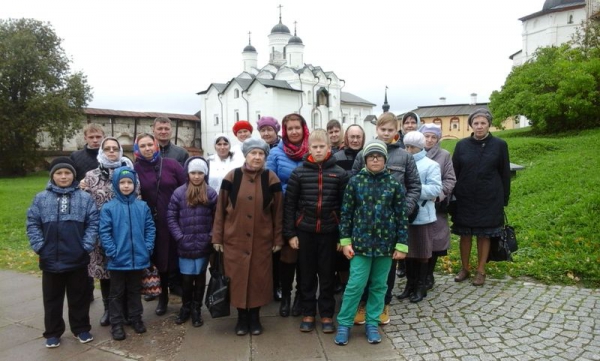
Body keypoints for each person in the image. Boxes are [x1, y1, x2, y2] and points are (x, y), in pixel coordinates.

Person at [334, 140, 408, 346]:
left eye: (379, 156)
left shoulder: (393, 184)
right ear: (365, 159)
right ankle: (344, 323)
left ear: (385, 159)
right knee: (355, 285)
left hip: (385, 247)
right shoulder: (355, 182)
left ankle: (372, 323)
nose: (375, 159)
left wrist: (401, 245)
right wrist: (346, 241)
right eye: (371, 156)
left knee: (379, 286)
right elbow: (346, 213)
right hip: (360, 246)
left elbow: (401, 216)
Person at [352, 112, 421, 325]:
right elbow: (353, 181)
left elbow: (414, 186)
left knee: (387, 267)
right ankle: (363, 303)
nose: (386, 133)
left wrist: (403, 210)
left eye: (391, 130)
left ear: (396, 131)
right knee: (364, 266)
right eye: (383, 129)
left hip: (390, 223)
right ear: (377, 130)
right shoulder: (363, 154)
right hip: (365, 223)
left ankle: (383, 303)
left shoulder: (405, 156)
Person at [212, 138, 284, 336]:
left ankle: (255, 317)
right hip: (234, 240)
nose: (257, 157)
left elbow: (278, 213)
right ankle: (241, 319)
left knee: (258, 280)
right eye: (253, 153)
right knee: (237, 279)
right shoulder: (232, 177)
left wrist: (278, 239)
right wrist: (217, 238)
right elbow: (220, 210)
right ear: (246, 155)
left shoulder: (271, 179)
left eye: (261, 154)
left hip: (262, 240)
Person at [26, 157, 99, 348]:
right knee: (52, 299)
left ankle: (81, 328)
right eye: (59, 173)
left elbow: (93, 223)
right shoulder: (41, 198)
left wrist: (86, 246)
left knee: (79, 296)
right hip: (51, 258)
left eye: (67, 173)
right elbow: (32, 223)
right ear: (52, 176)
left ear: (73, 175)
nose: (63, 176)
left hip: (77, 257)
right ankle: (52, 331)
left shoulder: (84, 198)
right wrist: (40, 246)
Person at [284, 129, 349, 334]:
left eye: (322, 146)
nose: (319, 150)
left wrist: (342, 236)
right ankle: (308, 312)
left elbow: (345, 207)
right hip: (305, 231)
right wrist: (291, 234)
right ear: (309, 148)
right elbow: (290, 205)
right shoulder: (299, 172)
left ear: (329, 148)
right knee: (307, 275)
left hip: (330, 232)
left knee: (328, 275)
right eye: (315, 146)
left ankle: (327, 314)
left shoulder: (339, 173)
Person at [82, 137, 138, 327]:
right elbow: (84, 201)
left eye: (115, 148)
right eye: (108, 148)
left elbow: (137, 198)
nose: (112, 151)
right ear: (102, 151)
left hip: (125, 231)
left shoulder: (129, 172)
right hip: (101, 231)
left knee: (125, 273)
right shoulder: (91, 176)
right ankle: (109, 309)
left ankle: (126, 310)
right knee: (106, 273)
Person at [451, 109, 511, 286]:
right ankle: (465, 267)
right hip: (465, 197)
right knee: (465, 234)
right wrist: (452, 196)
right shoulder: (461, 145)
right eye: (476, 123)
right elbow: (454, 172)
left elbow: (504, 174)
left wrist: (504, 198)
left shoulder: (500, 145)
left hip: (490, 197)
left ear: (489, 124)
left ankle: (481, 270)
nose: (479, 127)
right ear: (471, 125)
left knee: (484, 235)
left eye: (483, 123)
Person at [99, 167, 156, 341]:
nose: (126, 186)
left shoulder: (142, 206)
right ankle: (116, 323)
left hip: (138, 258)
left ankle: (136, 318)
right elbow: (105, 232)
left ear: (134, 184)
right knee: (116, 293)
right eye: (122, 183)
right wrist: (112, 251)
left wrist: (147, 248)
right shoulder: (109, 208)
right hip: (118, 259)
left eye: (129, 182)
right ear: (116, 185)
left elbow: (150, 228)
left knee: (134, 290)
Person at [133, 133, 187, 315]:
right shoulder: (136, 169)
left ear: (156, 145)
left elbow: (186, 187)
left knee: (181, 257)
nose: (148, 148)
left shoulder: (171, 164)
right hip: (153, 222)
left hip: (176, 219)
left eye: (150, 144)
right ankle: (162, 298)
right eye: (143, 146)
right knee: (161, 260)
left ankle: (186, 297)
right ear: (137, 149)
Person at [266, 113, 310, 318]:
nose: (294, 131)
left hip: (308, 210)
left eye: (297, 128)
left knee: (304, 257)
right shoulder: (276, 153)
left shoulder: (311, 150)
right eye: (289, 128)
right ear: (284, 131)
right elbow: (268, 182)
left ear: (303, 129)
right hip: (284, 210)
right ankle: (286, 296)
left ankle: (302, 296)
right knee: (287, 256)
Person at [167, 157, 218, 327]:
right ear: (188, 174)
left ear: (205, 174)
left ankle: (197, 309)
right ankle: (185, 308)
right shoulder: (179, 193)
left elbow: (217, 218)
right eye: (193, 173)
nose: (196, 176)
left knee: (200, 277)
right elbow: (171, 217)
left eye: (200, 173)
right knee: (187, 279)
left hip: (203, 243)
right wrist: (179, 237)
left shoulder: (211, 193)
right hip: (185, 244)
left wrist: (210, 237)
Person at [396, 131, 442, 303]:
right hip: (405, 214)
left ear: (420, 147)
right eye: (406, 146)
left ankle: (421, 286)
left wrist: (412, 189)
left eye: (412, 147)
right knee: (407, 253)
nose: (408, 150)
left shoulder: (431, 165)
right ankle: (410, 284)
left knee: (422, 253)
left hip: (423, 215)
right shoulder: (403, 163)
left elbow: (435, 189)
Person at [70, 123, 104, 303]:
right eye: (91, 137)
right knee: (86, 250)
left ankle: (110, 287)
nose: (95, 140)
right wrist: (79, 185)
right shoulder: (76, 157)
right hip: (84, 209)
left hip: (105, 208)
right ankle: (87, 289)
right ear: (85, 138)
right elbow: (68, 179)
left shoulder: (107, 155)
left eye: (98, 137)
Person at [420, 123, 456, 290]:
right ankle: (416, 277)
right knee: (417, 241)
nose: (429, 140)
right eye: (426, 136)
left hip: (436, 205)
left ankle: (428, 274)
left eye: (433, 137)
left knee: (434, 242)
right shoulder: (412, 152)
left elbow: (450, 179)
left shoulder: (444, 155)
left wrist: (438, 194)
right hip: (417, 205)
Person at [332, 124, 366, 294]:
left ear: (363, 138)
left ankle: (359, 287)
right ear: (346, 138)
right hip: (342, 210)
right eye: (351, 136)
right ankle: (345, 286)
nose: (354, 140)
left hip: (363, 212)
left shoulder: (369, 156)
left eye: (358, 137)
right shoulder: (337, 157)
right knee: (342, 253)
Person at [257, 116, 282, 301]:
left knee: (278, 249)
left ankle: (278, 285)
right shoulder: (255, 148)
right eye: (263, 129)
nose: (266, 133)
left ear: (276, 131)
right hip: (260, 202)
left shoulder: (282, 149)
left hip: (280, 198)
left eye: (269, 129)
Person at [395, 112, 421, 279]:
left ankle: (417, 274)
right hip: (396, 199)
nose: (410, 125)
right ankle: (401, 264)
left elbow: (414, 184)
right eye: (407, 122)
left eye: (413, 122)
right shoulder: (396, 146)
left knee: (416, 238)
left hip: (410, 201)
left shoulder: (422, 142)